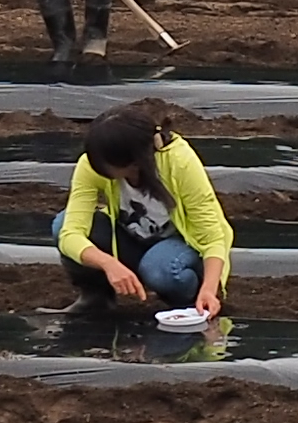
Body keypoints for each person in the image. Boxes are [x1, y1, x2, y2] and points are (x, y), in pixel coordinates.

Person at [57, 97, 232, 319]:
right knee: (61, 223)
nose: (96, 169)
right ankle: (96, 299)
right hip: (134, 239)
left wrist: (210, 288)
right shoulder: (93, 165)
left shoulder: (179, 162)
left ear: (135, 161)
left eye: (105, 165)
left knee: (160, 269)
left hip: (179, 245)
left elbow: (213, 238)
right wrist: (108, 264)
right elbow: (69, 233)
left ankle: (190, 302)